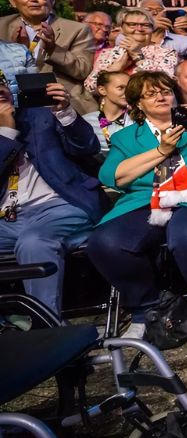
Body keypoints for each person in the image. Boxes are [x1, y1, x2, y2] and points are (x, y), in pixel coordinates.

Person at [88, 71, 187, 339]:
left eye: (165, 91)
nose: (161, 96)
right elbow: (113, 177)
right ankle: (145, 310)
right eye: (151, 94)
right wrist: (161, 151)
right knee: (106, 242)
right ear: (138, 104)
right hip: (146, 200)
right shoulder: (127, 138)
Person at [0, 68, 105, 315]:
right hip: (7, 218)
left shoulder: (40, 114)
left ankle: (47, 328)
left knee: (33, 242)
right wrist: (6, 132)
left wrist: (65, 112)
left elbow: (86, 147)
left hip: (59, 206)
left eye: (1, 83)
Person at [0, 0, 96, 113]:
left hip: (62, 103)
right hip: (11, 104)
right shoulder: (2, 26)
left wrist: (53, 49)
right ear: (13, 1)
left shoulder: (77, 29)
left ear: (52, 1)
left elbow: (83, 70)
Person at [87, 7, 179, 92]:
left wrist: (137, 55)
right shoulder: (107, 54)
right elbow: (90, 88)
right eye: (132, 25)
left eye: (145, 25)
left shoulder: (167, 53)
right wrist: (114, 69)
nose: (139, 29)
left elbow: (166, 85)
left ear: (152, 28)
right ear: (122, 28)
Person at [82, 71, 131, 155]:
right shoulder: (87, 121)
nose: (127, 92)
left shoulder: (136, 118)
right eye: (121, 88)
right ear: (102, 90)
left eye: (129, 88)